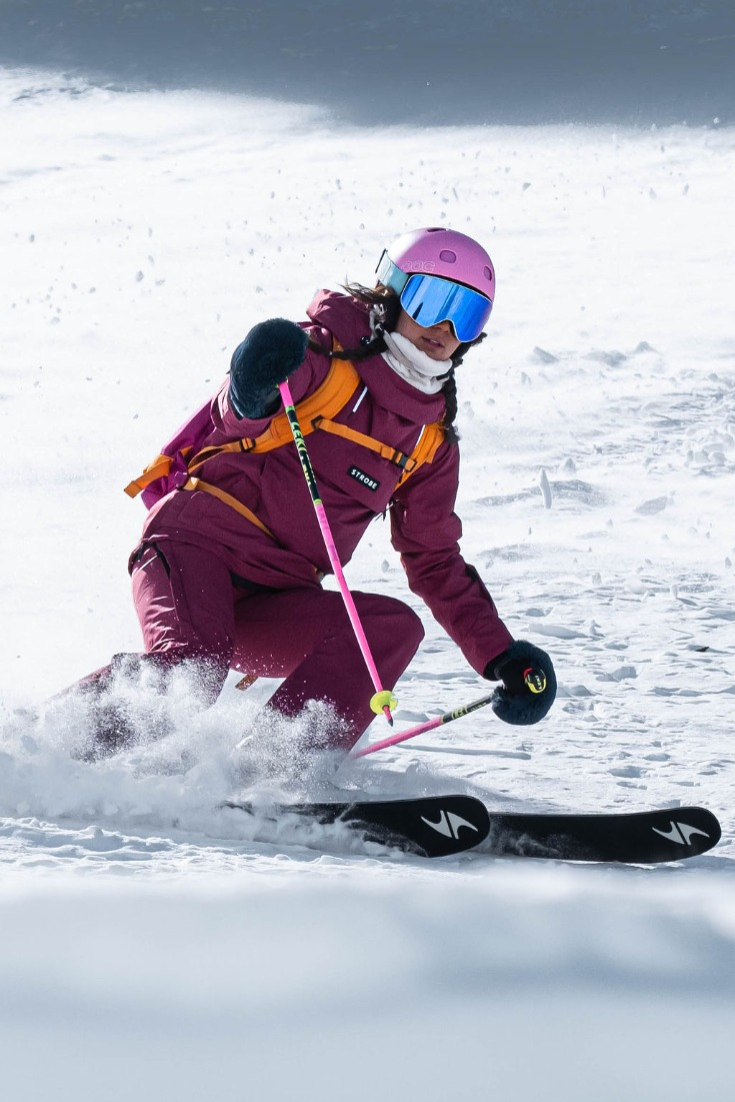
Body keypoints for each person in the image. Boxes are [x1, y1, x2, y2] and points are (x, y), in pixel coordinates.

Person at [78, 226, 556, 759]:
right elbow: (233, 417)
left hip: (277, 594)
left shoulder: (429, 441)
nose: (444, 327)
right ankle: (43, 746)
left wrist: (501, 656)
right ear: (393, 296)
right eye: (433, 301)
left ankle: (278, 767)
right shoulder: (324, 360)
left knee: (388, 629)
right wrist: (251, 381)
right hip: (195, 544)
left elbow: (434, 559)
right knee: (192, 672)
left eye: (466, 314)